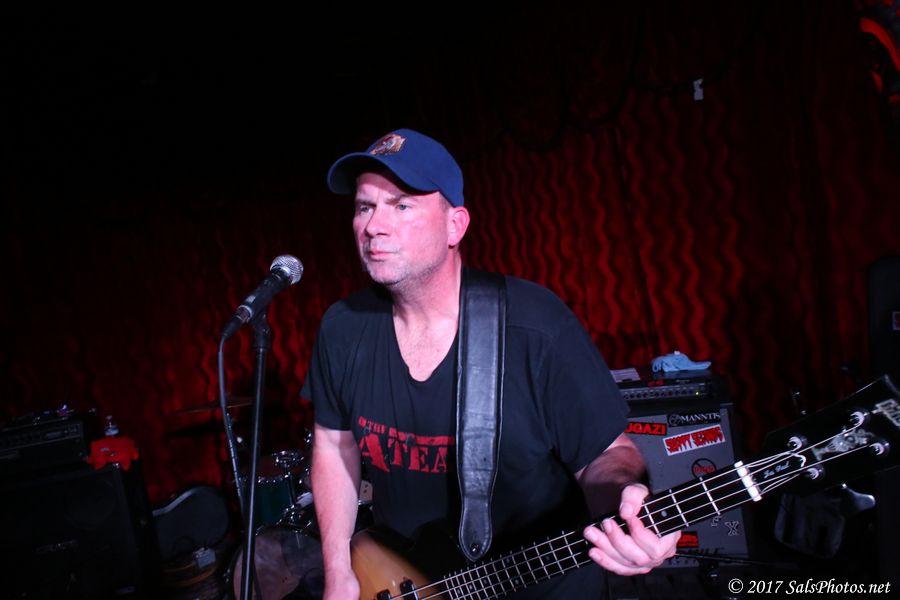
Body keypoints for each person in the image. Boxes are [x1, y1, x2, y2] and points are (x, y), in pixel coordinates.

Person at [301, 128, 680, 599]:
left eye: (401, 205)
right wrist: (338, 568)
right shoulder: (342, 328)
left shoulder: (536, 325)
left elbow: (607, 454)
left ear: (455, 226)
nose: (374, 225)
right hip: (407, 581)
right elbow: (333, 445)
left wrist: (626, 502)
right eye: (364, 207)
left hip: (537, 584)